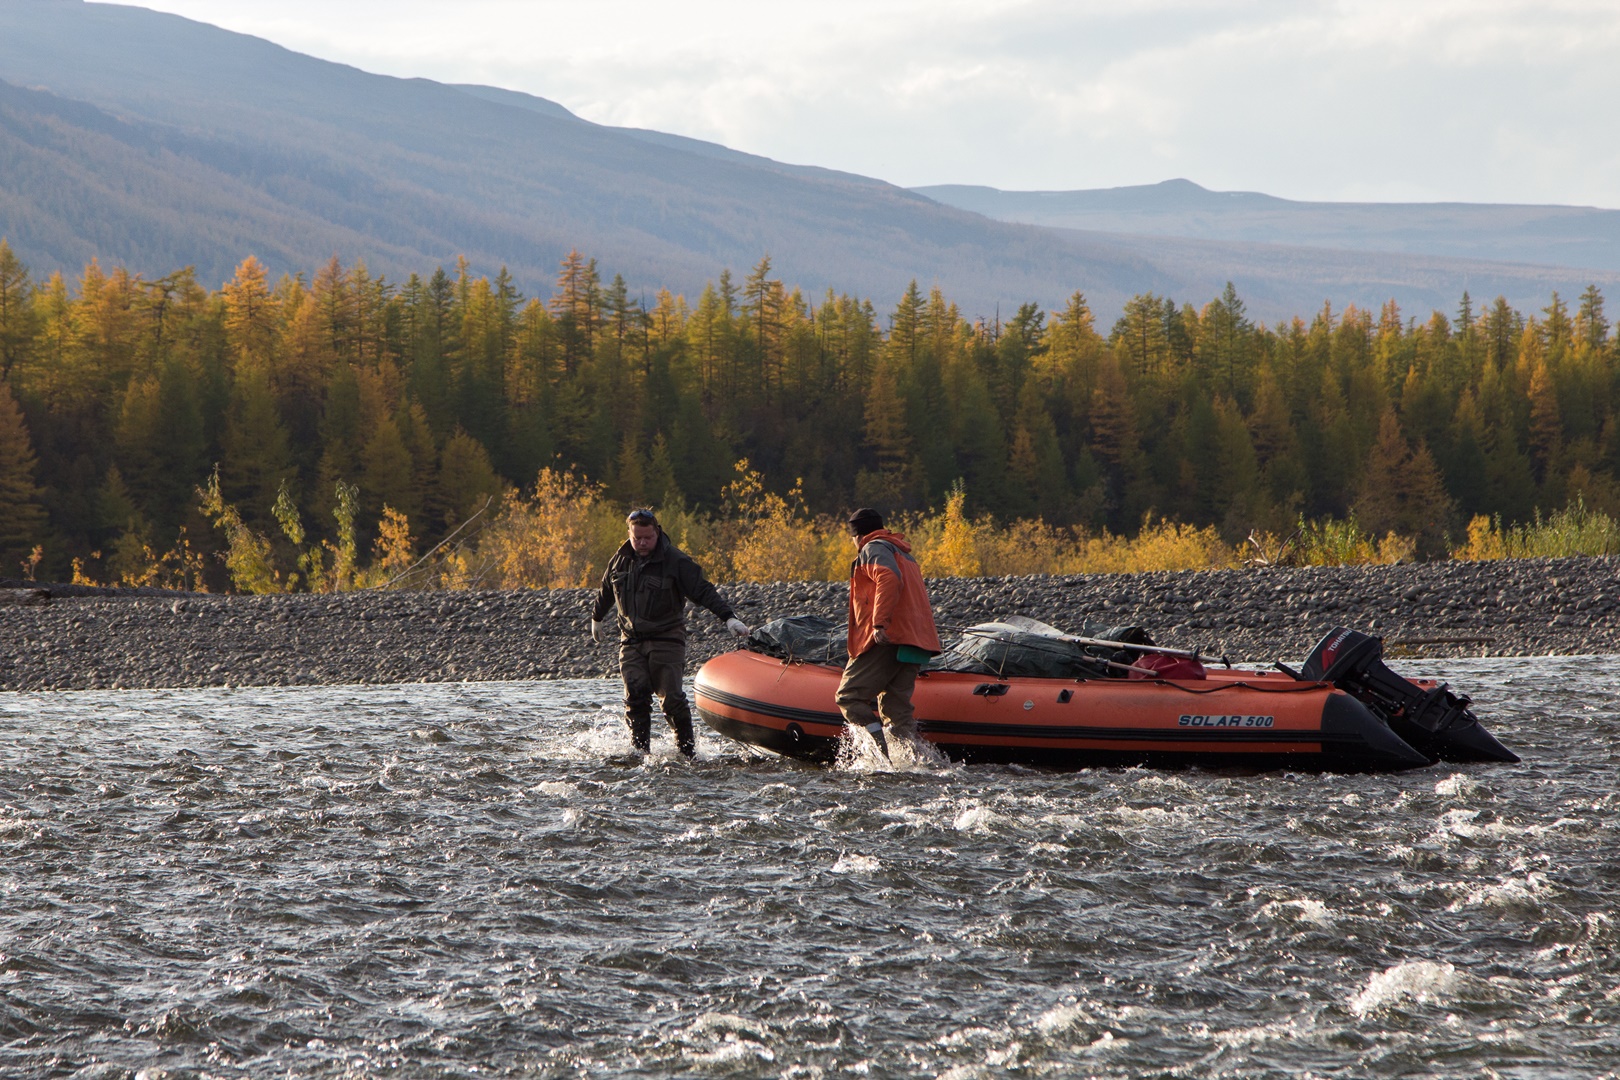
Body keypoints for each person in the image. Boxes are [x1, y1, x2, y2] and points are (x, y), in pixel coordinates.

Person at [591, 508, 751, 758]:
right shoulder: (620, 559)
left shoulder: (676, 561)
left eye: (647, 538)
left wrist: (728, 618)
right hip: (631, 641)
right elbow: (606, 589)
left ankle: (687, 754)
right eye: (637, 538)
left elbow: (703, 591)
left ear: (657, 532)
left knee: (672, 699)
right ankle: (640, 754)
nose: (642, 543)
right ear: (629, 535)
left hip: (667, 639)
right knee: (635, 696)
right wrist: (597, 617)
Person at [836, 507, 941, 759]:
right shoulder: (904, 553)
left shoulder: (872, 548)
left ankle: (880, 759)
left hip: (890, 638)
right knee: (897, 712)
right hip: (915, 642)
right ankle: (918, 764)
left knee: (849, 697)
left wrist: (878, 624)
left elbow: (888, 579)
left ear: (858, 535)